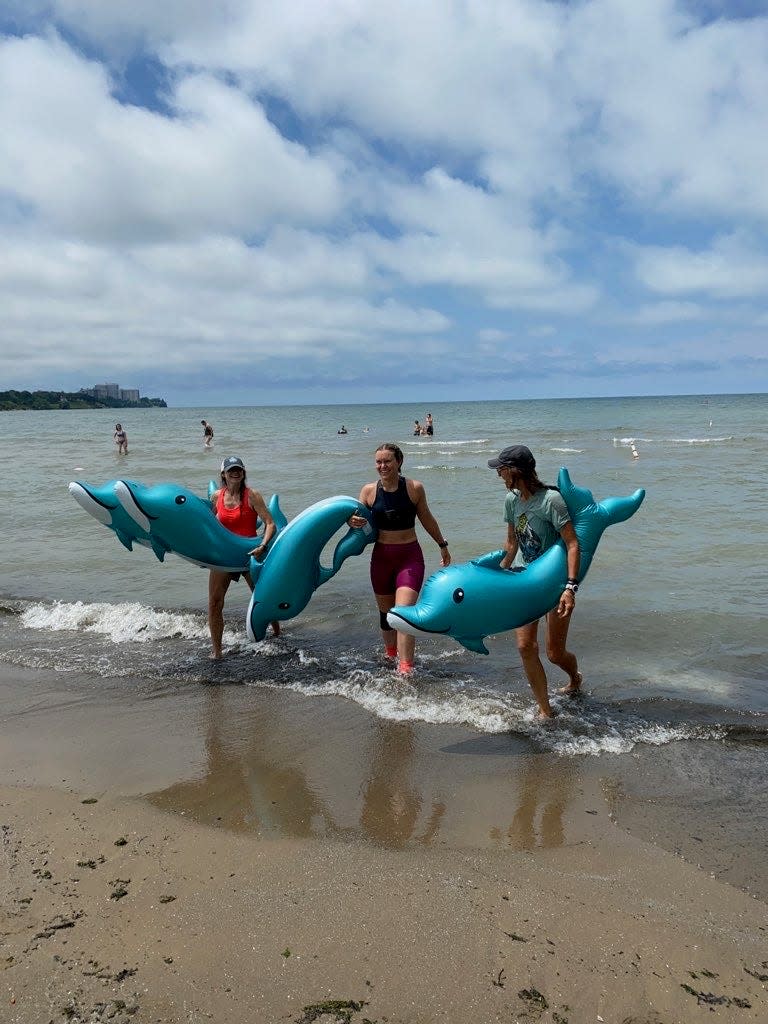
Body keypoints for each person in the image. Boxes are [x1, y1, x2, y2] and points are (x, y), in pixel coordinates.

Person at [488, 444, 582, 718]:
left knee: (554, 653)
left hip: (554, 584)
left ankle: (575, 676)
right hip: (523, 581)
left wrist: (570, 587)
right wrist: (498, 576)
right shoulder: (511, 501)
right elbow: (511, 544)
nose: (499, 475)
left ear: (515, 471)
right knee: (525, 646)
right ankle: (545, 710)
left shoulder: (550, 500)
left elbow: (572, 544)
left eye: (502, 469)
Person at [349, 442, 451, 675]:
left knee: (404, 614)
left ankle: (405, 668)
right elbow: (356, 521)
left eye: (387, 461)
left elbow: (426, 518)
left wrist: (442, 544)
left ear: (399, 462)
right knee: (386, 616)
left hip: (409, 557)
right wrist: (350, 521)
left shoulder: (414, 488)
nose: (382, 465)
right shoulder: (368, 491)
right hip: (381, 559)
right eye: (378, 462)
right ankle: (391, 656)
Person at [208, 455, 279, 659]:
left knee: (264, 598)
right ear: (223, 474)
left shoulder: (252, 495)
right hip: (223, 556)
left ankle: (277, 634)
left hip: (250, 555)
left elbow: (270, 523)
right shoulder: (216, 497)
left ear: (243, 471)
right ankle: (217, 652)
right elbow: (209, 525)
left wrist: (263, 546)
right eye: (231, 470)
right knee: (214, 602)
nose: (235, 472)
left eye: (238, 469)